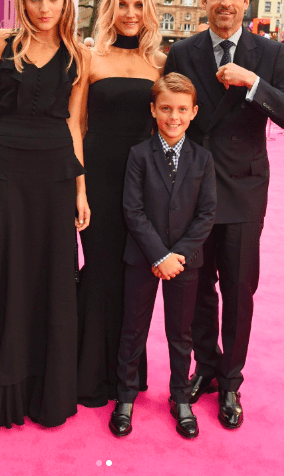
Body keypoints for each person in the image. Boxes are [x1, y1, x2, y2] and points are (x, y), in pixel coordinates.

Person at [164, 0, 284, 429]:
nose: (225, 2)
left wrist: (253, 85)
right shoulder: (183, 53)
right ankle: (205, 367)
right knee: (199, 289)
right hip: (191, 191)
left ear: (245, 1)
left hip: (244, 192)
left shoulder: (270, 55)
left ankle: (231, 381)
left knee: (239, 291)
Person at [0, 0, 90, 429]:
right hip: (5, 167)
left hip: (54, 173)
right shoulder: (0, 42)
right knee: (4, 268)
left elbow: (75, 125)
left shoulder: (78, 53)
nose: (44, 7)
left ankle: (42, 390)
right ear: (22, 0)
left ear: (65, 1)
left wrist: (81, 190)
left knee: (50, 273)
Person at [109, 74, 216, 439]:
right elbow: (132, 210)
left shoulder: (203, 159)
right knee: (132, 329)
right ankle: (125, 397)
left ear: (194, 112)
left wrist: (178, 256)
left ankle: (180, 397)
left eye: (182, 110)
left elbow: (206, 214)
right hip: (142, 258)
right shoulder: (138, 154)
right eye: (166, 108)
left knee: (180, 333)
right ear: (153, 110)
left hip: (185, 263)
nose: (174, 117)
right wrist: (158, 255)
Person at [77, 0, 166, 407]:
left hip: (143, 184)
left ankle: (127, 376)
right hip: (97, 178)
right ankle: (91, 378)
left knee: (135, 277)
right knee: (99, 271)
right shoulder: (90, 57)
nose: (130, 14)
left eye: (137, 5)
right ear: (109, 8)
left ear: (147, 10)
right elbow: (76, 125)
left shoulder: (162, 64)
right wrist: (78, 187)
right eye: (122, 4)